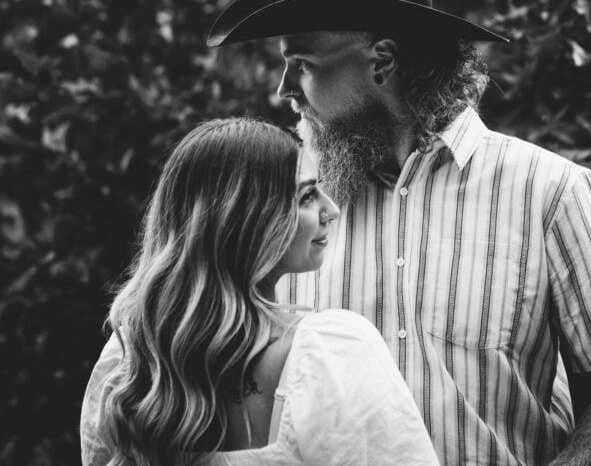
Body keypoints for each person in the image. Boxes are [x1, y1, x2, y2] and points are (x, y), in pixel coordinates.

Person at [206, 0, 591, 465]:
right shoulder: (282, 206)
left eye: (303, 63)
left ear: (382, 62)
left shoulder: (548, 191)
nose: (284, 89)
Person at [79, 118, 440, 465]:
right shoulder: (329, 353)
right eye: (307, 196)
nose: (330, 210)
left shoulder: (130, 362)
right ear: (250, 218)